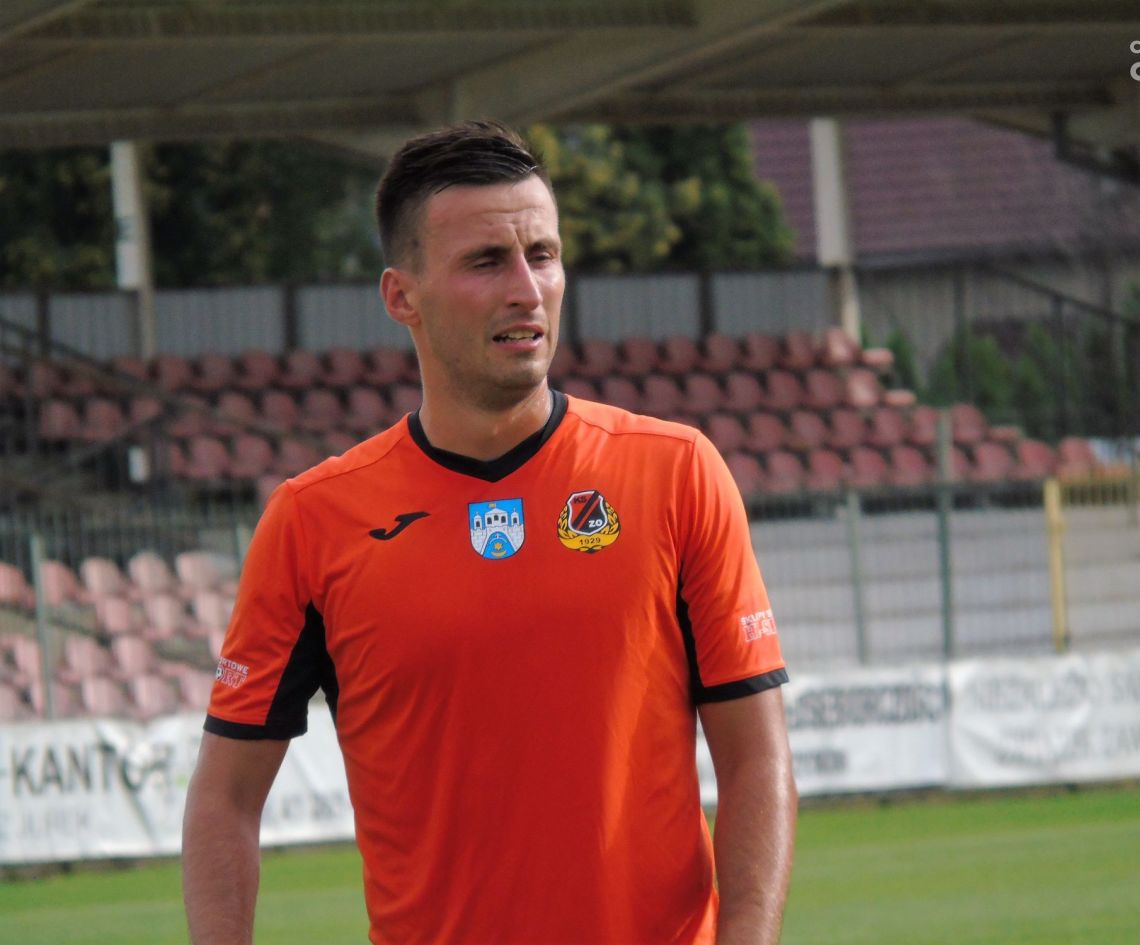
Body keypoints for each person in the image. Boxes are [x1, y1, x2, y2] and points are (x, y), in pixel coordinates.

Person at [182, 120, 796, 945]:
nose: (527, 288)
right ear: (402, 296)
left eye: (543, 254)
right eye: (486, 261)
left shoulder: (676, 472)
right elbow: (224, 797)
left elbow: (757, 757)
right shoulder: (313, 520)